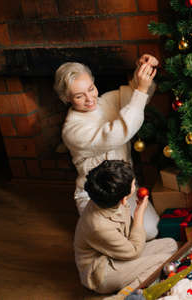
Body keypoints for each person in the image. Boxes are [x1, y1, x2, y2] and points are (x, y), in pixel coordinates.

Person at [54, 54, 160, 239]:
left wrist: (144, 69)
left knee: (151, 231)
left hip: (125, 189)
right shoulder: (72, 130)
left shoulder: (108, 101)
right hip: (96, 196)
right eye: (79, 96)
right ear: (66, 98)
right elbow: (118, 133)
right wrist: (140, 90)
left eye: (91, 89)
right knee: (117, 240)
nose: (90, 99)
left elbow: (139, 95)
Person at [74, 160, 178, 294]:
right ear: (123, 199)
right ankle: (125, 295)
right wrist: (140, 212)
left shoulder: (107, 198)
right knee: (164, 262)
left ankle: (139, 277)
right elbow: (133, 251)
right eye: (133, 184)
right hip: (101, 272)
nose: (135, 185)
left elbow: (128, 237)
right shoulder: (98, 226)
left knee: (171, 244)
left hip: (117, 253)